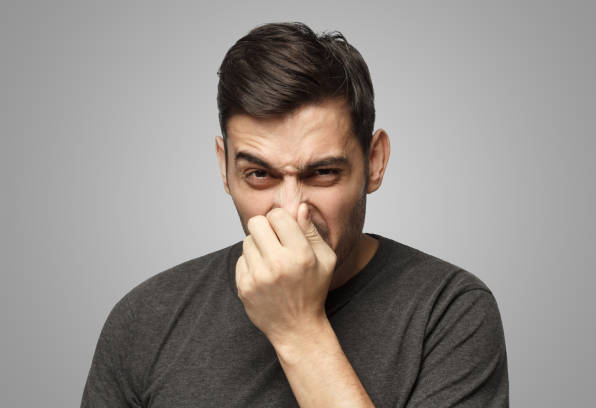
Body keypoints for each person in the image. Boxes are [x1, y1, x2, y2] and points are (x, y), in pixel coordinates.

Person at [81, 22, 509, 407]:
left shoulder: (449, 312)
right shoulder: (146, 320)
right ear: (224, 169)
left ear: (375, 161)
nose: (291, 210)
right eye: (259, 175)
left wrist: (299, 330)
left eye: (322, 173)